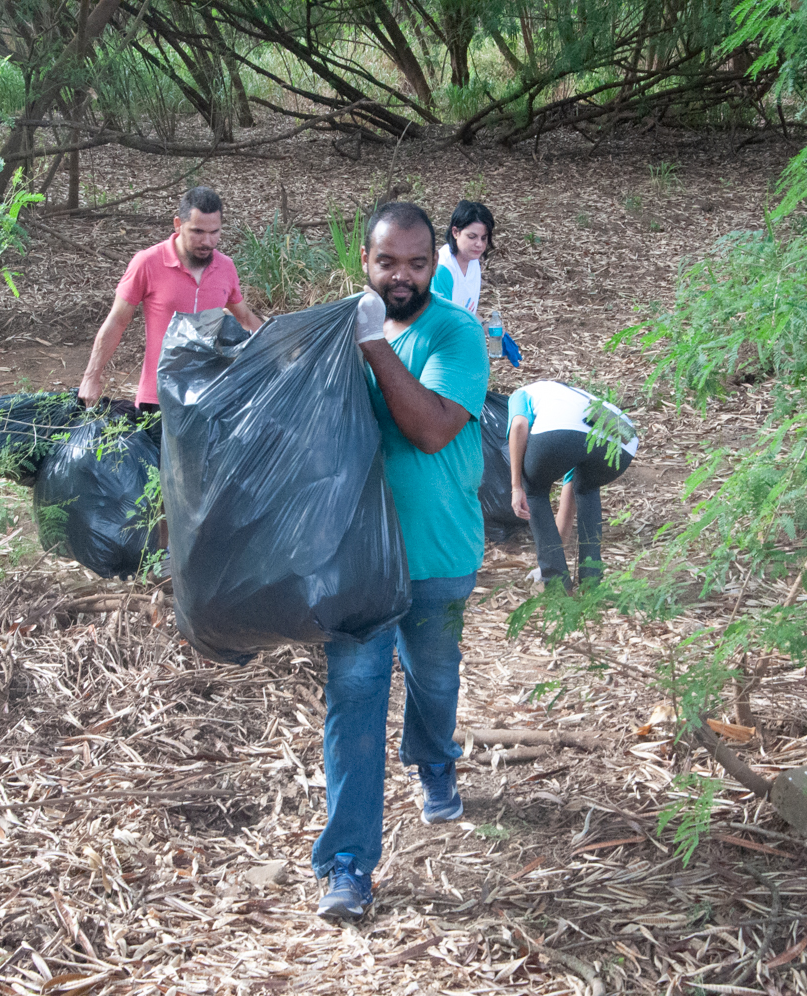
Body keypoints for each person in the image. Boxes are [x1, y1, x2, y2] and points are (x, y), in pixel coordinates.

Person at [315, 202, 488, 920]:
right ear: (366, 260)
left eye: (418, 263)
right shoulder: (339, 333)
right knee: (354, 701)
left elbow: (428, 431)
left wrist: (375, 347)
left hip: (439, 551)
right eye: (388, 262)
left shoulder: (455, 332)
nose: (403, 276)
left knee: (434, 674)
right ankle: (348, 865)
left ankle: (434, 758)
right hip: (357, 561)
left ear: (434, 261)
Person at [77, 187, 263, 422]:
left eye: (214, 232)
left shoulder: (225, 267)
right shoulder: (148, 263)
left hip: (210, 397)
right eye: (197, 231)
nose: (207, 241)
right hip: (158, 398)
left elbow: (245, 318)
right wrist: (91, 377)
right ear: (178, 224)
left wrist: (284, 356)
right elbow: (117, 320)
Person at [508, 381, 638, 590]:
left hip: (561, 434)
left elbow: (519, 426)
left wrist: (516, 487)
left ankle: (556, 585)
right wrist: (557, 550)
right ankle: (591, 582)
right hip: (624, 442)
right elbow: (569, 498)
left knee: (533, 490)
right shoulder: (576, 397)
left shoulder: (522, 393)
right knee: (586, 489)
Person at [429, 200, 494, 317]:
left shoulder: (473, 260)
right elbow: (440, 320)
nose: (479, 244)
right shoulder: (443, 269)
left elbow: (468, 309)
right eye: (472, 237)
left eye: (483, 238)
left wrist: (484, 325)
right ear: (455, 232)